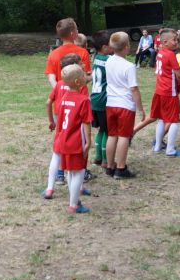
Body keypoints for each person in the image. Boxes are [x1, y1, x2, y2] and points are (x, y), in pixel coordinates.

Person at [133, 30, 180, 157]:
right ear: (165, 42)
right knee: (175, 120)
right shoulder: (170, 55)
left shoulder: (160, 53)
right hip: (169, 92)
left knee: (162, 119)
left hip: (159, 91)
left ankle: (157, 147)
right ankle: (170, 150)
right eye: (174, 40)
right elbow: (178, 74)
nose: (176, 42)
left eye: (176, 40)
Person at [52, 64, 93, 214]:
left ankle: (73, 200)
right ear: (77, 81)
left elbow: (60, 119)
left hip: (64, 139)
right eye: (83, 75)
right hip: (76, 141)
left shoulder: (63, 98)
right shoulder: (84, 100)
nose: (85, 77)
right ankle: (73, 205)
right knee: (79, 172)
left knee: (70, 172)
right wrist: (88, 141)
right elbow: (86, 122)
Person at [104, 31, 145, 179]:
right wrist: (140, 109)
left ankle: (110, 166)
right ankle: (121, 168)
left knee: (112, 135)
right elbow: (133, 89)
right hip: (125, 105)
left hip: (110, 104)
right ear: (127, 47)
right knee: (124, 136)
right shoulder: (129, 66)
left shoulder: (108, 61)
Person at [44, 53, 85, 193]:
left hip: (60, 119)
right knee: (73, 154)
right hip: (75, 124)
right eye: (80, 63)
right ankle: (77, 188)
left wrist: (51, 121)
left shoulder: (59, 84)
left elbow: (48, 102)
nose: (83, 65)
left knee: (57, 153)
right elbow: (83, 105)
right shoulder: (80, 86)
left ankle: (50, 188)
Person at [45, 17, 91, 89]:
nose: (77, 31)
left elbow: (51, 78)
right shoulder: (83, 52)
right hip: (79, 94)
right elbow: (85, 77)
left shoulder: (53, 54)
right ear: (72, 34)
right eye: (76, 29)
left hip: (61, 94)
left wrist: (59, 91)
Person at [90, 31, 112, 170]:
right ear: (104, 47)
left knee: (101, 130)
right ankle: (105, 160)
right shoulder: (108, 61)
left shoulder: (96, 57)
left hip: (94, 99)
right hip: (104, 100)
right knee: (108, 131)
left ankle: (97, 157)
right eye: (111, 44)